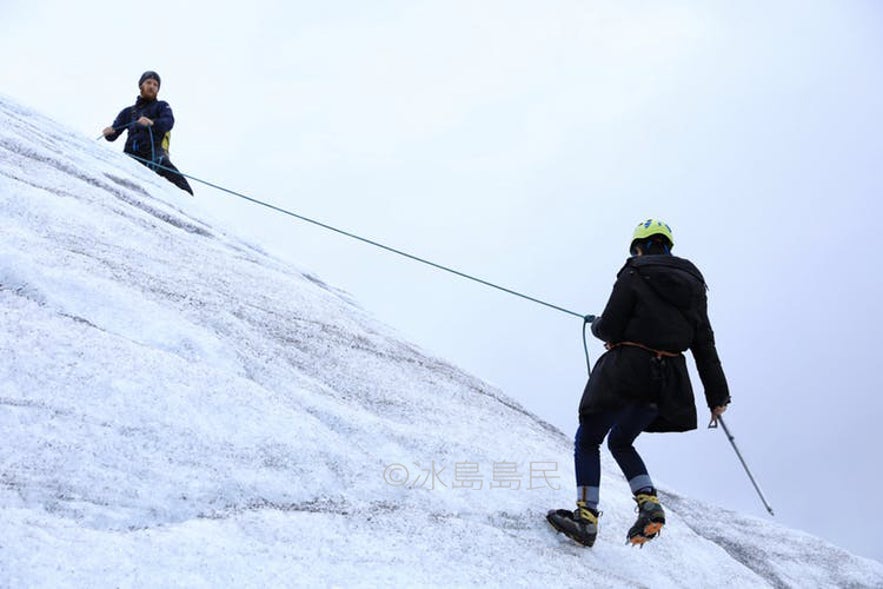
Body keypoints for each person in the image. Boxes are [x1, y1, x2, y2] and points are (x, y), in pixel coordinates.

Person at [547, 219, 730, 548]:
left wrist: (596, 326)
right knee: (621, 441)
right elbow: (705, 345)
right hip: (668, 382)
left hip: (627, 372)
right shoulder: (694, 287)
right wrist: (717, 397)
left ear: (640, 246)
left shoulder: (634, 271)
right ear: (668, 247)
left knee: (589, 439)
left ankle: (586, 519)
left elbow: (611, 326)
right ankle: (649, 504)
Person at [102, 71, 193, 195]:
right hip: (130, 156)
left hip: (154, 154)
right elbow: (113, 134)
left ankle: (187, 197)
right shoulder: (128, 112)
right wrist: (109, 132)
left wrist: (152, 122)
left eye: (156, 85)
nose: (152, 86)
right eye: (148, 83)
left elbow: (169, 122)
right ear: (141, 86)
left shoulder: (162, 106)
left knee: (167, 169)